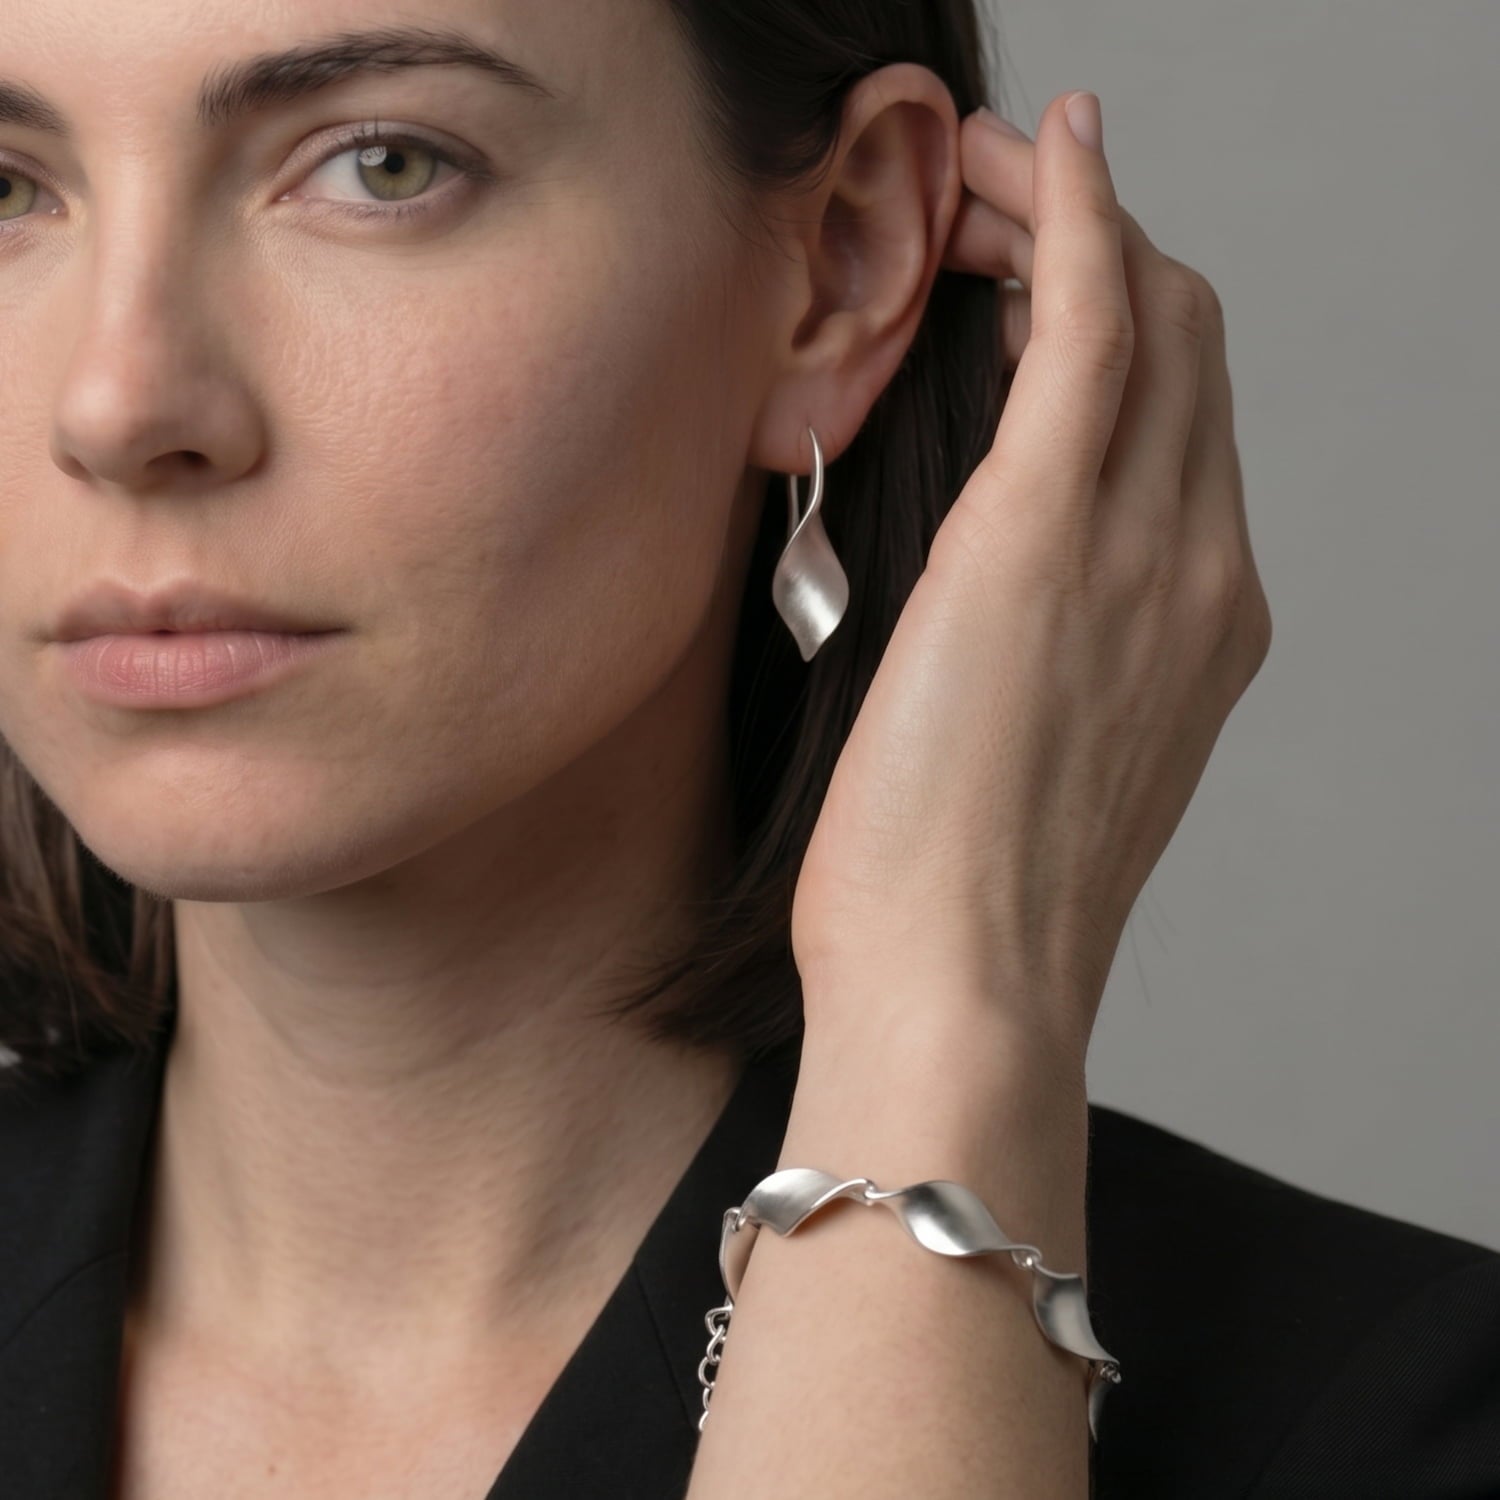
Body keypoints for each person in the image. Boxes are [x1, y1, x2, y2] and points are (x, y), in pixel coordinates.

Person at [0, 3, 1495, 1498]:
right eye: (7, 190)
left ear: (838, 264)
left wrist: (944, 1003)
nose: (120, 406)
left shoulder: (1410, 1425)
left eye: (385, 165)